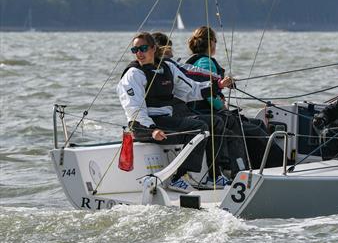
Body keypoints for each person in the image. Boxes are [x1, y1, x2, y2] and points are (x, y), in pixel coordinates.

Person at [117, 31, 235, 192]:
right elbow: (135, 110)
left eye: (142, 48)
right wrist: (152, 130)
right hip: (143, 126)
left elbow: (191, 90)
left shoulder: (168, 68)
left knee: (215, 121)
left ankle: (213, 176)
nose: (138, 53)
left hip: (166, 120)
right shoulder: (133, 75)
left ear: (152, 48)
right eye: (134, 50)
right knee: (199, 127)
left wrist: (217, 86)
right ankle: (178, 178)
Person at [184, 26, 282, 169]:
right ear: (211, 42)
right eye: (215, 41)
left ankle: (259, 166)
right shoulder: (206, 62)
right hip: (207, 113)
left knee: (257, 124)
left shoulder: (197, 61)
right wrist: (223, 109)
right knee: (255, 130)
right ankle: (272, 167)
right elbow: (209, 94)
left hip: (202, 113)